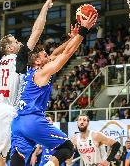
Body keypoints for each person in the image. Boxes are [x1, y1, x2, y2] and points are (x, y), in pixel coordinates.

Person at [0, 0, 57, 166]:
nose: (19, 42)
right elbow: (37, 30)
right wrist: (46, 6)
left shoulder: (1, 62)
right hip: (5, 111)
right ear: (10, 49)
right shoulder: (18, 59)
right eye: (15, 42)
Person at [10, 12, 98, 166]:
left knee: (19, 157)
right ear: (38, 61)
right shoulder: (41, 72)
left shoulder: (28, 72)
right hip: (33, 120)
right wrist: (84, 31)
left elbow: (57, 53)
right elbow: (67, 53)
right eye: (45, 55)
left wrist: (72, 38)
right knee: (67, 147)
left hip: (17, 122)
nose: (49, 56)